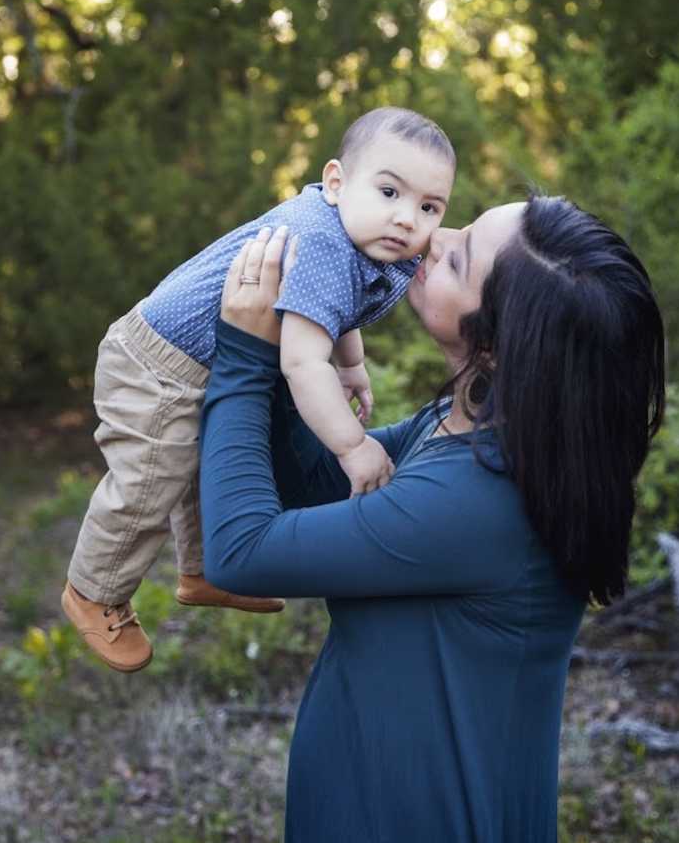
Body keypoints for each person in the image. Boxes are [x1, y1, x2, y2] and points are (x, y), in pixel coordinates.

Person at [200, 195, 666, 843]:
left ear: (497, 344)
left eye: (458, 255)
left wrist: (242, 355)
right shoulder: (474, 425)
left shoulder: (477, 495)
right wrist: (307, 362)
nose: (432, 236)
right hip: (382, 803)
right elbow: (317, 485)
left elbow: (239, 549)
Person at [62, 107, 456, 673]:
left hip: (198, 361)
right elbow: (300, 362)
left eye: (428, 207)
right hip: (157, 363)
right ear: (338, 181)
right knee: (152, 476)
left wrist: (352, 365)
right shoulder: (322, 241)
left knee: (202, 465)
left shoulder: (360, 237)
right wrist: (351, 445)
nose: (405, 218)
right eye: (390, 191)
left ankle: (202, 573)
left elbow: (336, 313)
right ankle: (93, 592)